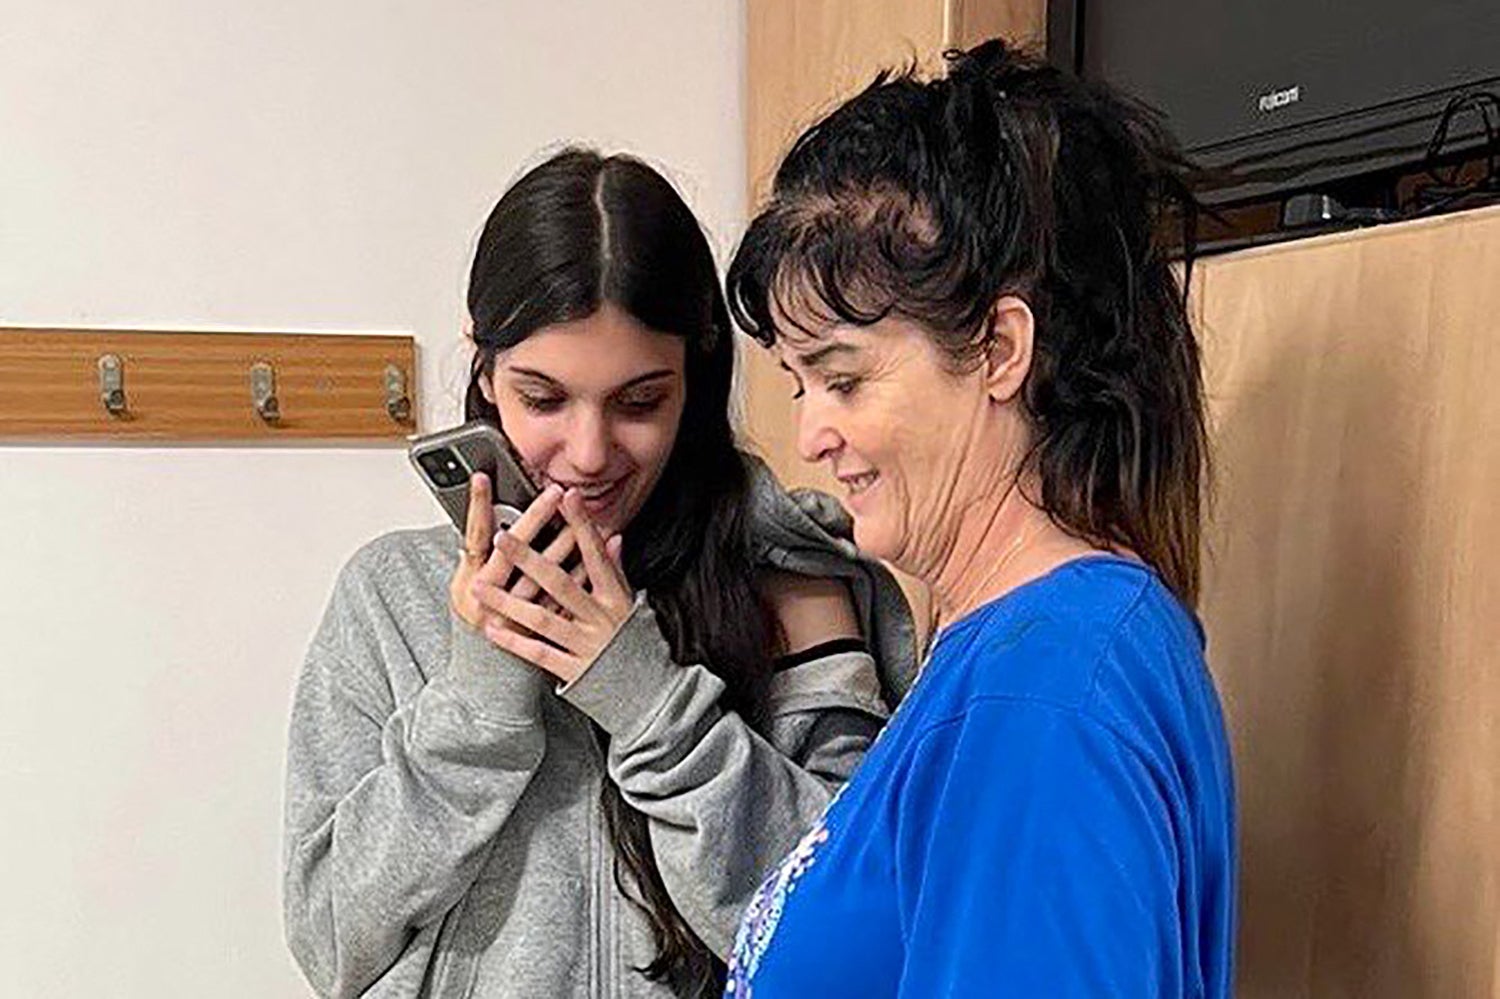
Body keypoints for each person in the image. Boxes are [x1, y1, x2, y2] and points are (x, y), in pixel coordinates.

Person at [281, 148, 917, 999]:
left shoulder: (794, 582)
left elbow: (852, 945)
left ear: (694, 381)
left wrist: (650, 702)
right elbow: (331, 942)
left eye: (639, 402)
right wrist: (477, 701)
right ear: (483, 371)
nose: (586, 454)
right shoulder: (389, 598)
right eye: (543, 399)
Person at [722, 40, 1236, 998]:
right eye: (799, 385)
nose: (813, 436)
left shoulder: (1045, 694)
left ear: (1000, 349)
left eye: (843, 378)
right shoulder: (1015, 651)